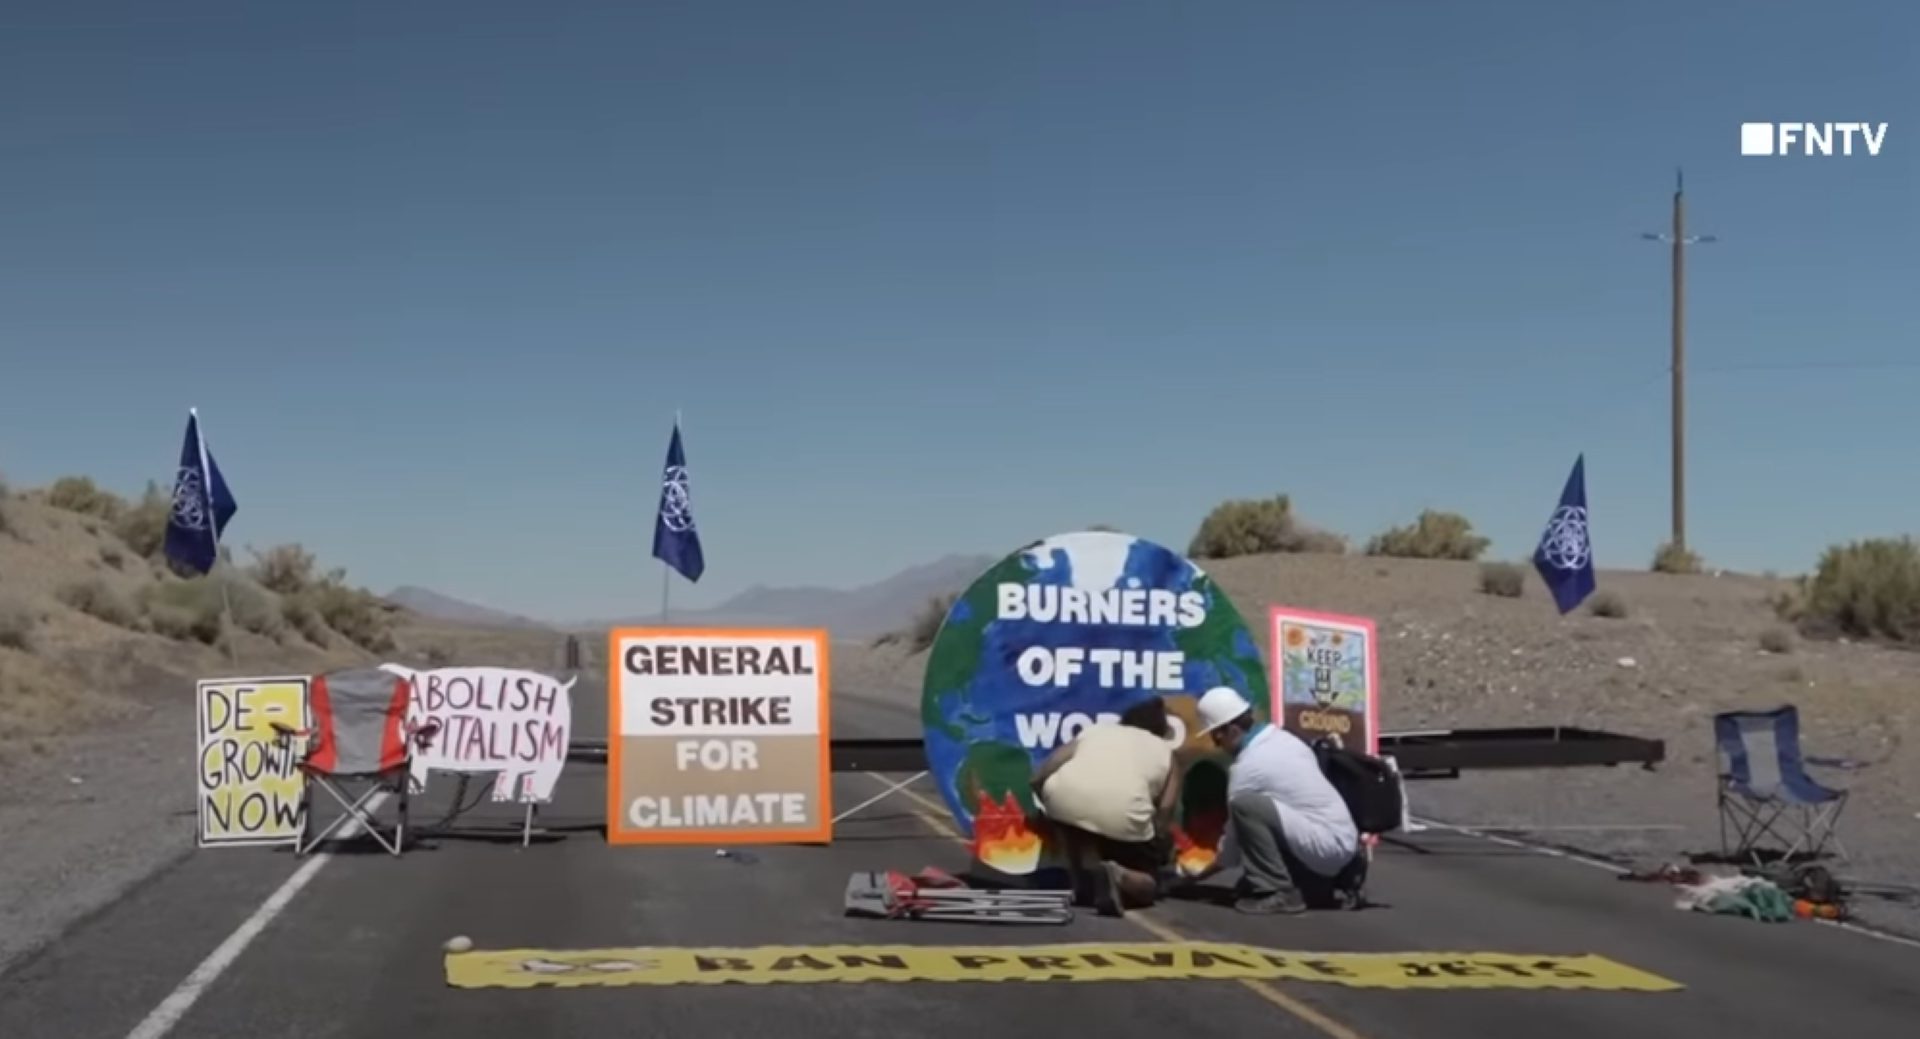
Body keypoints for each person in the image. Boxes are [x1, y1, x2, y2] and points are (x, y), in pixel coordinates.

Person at [1181, 686, 1362, 915]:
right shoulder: (1285, 739)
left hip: (1325, 844)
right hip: (1342, 837)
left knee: (1245, 807)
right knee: (1247, 883)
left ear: (1232, 730)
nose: (1217, 744)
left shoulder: (1247, 768)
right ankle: (1325, 880)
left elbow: (1232, 849)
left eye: (1217, 736)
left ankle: (1278, 892)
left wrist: (1194, 878)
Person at [1029, 697, 1181, 917]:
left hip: (1065, 797)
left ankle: (1078, 881)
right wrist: (1156, 841)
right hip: (1124, 811)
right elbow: (1166, 807)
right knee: (1148, 885)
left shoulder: (1096, 732)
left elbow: (1042, 773)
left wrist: (1044, 808)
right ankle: (1120, 875)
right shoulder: (1166, 753)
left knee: (1068, 818)